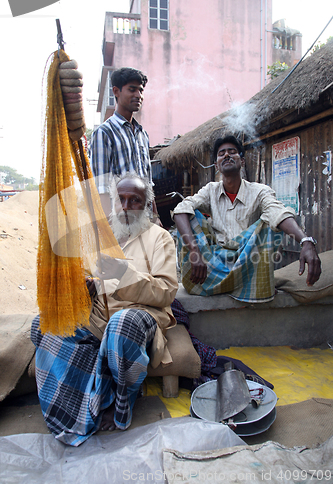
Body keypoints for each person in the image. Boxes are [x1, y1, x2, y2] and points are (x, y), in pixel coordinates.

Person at [31, 173, 178, 446]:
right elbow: (88, 277)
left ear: (146, 205)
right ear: (113, 201)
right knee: (46, 323)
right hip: (98, 315)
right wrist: (85, 286)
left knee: (122, 324)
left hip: (139, 315)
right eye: (121, 199)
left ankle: (120, 407)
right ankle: (76, 405)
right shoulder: (99, 236)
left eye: (135, 200)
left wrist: (123, 273)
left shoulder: (161, 238)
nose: (126, 206)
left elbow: (166, 291)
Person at [173, 135, 321, 302]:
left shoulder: (259, 191)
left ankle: (241, 283)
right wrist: (195, 251)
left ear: (242, 161)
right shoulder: (210, 190)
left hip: (248, 261)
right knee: (189, 215)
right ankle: (224, 282)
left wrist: (306, 241)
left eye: (232, 152)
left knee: (269, 220)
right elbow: (180, 209)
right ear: (216, 165)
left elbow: (278, 213)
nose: (227, 155)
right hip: (215, 264)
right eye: (222, 153)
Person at [89, 67, 157, 219]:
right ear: (116, 91)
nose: (138, 95)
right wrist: (111, 228)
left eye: (141, 90)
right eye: (132, 90)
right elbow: (100, 188)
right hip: (120, 220)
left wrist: (155, 217)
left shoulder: (142, 134)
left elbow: (148, 183)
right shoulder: (104, 133)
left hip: (143, 219)